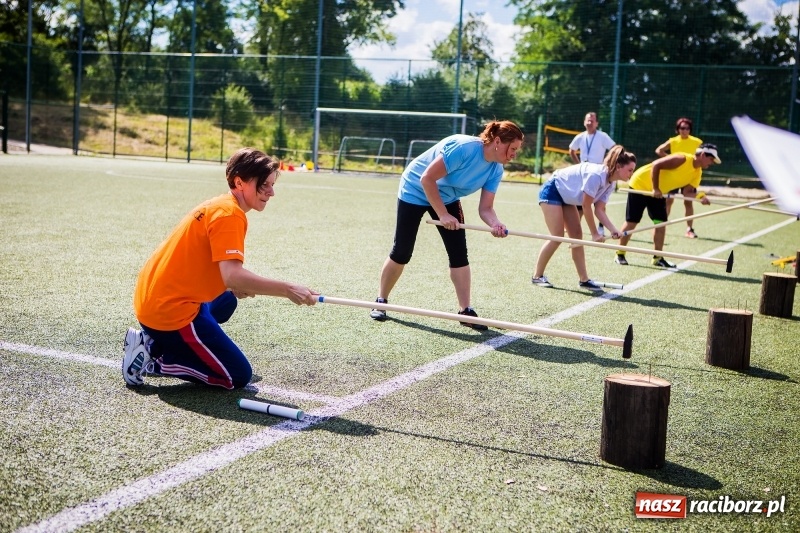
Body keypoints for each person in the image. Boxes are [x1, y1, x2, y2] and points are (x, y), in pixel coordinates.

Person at [122, 148, 319, 388]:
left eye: (272, 184)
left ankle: (157, 341)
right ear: (239, 182)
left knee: (227, 300)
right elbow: (233, 275)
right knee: (236, 375)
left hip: (153, 301)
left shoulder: (221, 205)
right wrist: (288, 289)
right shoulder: (230, 214)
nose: (271, 192)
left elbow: (221, 273)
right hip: (169, 312)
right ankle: (155, 358)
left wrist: (233, 285)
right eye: (264, 185)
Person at [369, 120, 524, 330]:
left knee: (459, 254)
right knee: (402, 251)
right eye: (512, 148)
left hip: (448, 196)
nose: (514, 154)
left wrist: (495, 224)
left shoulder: (495, 170)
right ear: (497, 141)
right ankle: (380, 301)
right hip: (415, 189)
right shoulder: (464, 148)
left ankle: (465, 311)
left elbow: (486, 209)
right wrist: (442, 214)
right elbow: (427, 179)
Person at [531, 145, 637, 291]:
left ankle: (584, 280)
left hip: (567, 198)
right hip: (553, 191)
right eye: (630, 170)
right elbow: (586, 206)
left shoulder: (611, 183)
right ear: (618, 166)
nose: (632, 173)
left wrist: (613, 230)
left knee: (576, 237)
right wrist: (594, 233)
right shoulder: (596, 176)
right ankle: (537, 276)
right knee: (557, 236)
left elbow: (599, 210)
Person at [615, 143, 720, 268]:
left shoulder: (697, 173)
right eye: (711, 159)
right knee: (632, 220)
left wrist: (700, 197)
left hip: (659, 192)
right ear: (703, 155)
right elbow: (656, 165)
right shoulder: (682, 159)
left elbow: (687, 192)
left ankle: (657, 258)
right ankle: (620, 254)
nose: (712, 163)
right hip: (640, 185)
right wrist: (655, 188)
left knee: (661, 223)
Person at [655, 117, 704, 238]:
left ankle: (689, 229)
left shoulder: (697, 142)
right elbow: (659, 150)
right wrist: (669, 159)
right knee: (668, 201)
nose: (684, 130)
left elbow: (703, 157)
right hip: (674, 176)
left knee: (688, 202)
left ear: (690, 130)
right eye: (682, 128)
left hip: (689, 176)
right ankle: (662, 226)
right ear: (678, 129)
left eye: (687, 128)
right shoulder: (673, 141)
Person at [569, 112, 616, 235]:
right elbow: (572, 150)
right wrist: (578, 164)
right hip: (583, 173)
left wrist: (607, 163)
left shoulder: (602, 136)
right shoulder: (580, 136)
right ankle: (575, 227)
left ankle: (601, 227)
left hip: (597, 173)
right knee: (581, 200)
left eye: (592, 120)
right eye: (588, 120)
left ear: (596, 123)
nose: (590, 123)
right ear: (584, 122)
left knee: (599, 201)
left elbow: (614, 149)